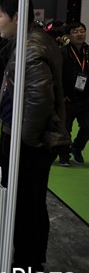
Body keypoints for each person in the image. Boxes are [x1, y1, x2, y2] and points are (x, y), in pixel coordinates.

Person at [0, 0, 69, 273]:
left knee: (26, 211)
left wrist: (24, 141)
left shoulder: (30, 47)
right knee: (31, 209)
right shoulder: (32, 41)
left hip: (27, 145)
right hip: (27, 141)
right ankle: (29, 271)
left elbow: (38, 100)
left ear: (16, 16)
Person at [59, 21, 88, 166]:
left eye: (82, 31)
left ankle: (77, 148)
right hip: (68, 98)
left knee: (87, 126)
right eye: (75, 31)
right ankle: (64, 154)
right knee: (65, 129)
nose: (79, 34)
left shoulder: (88, 51)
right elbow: (57, 75)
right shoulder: (63, 52)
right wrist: (62, 94)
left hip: (86, 98)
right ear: (69, 35)